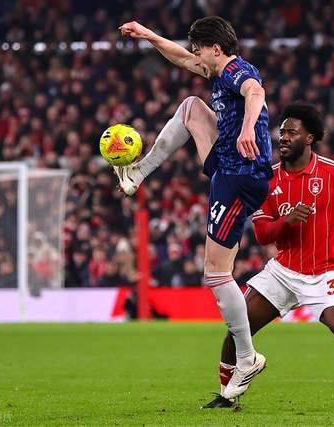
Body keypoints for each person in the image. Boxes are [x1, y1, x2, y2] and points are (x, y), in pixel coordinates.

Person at [203, 102, 334, 409]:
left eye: (291, 132)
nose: (283, 137)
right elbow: (263, 234)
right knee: (238, 326)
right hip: (284, 271)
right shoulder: (265, 180)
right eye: (281, 132)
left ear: (309, 138)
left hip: (328, 269)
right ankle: (226, 395)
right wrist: (287, 221)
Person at [118, 16, 273, 399]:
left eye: (199, 49)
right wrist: (148, 34)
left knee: (216, 273)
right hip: (228, 164)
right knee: (190, 108)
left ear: (216, 49)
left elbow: (255, 91)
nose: (195, 56)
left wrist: (248, 128)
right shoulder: (216, 70)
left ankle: (247, 357)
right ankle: (138, 173)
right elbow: (180, 58)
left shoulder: (235, 70)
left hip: (241, 175)